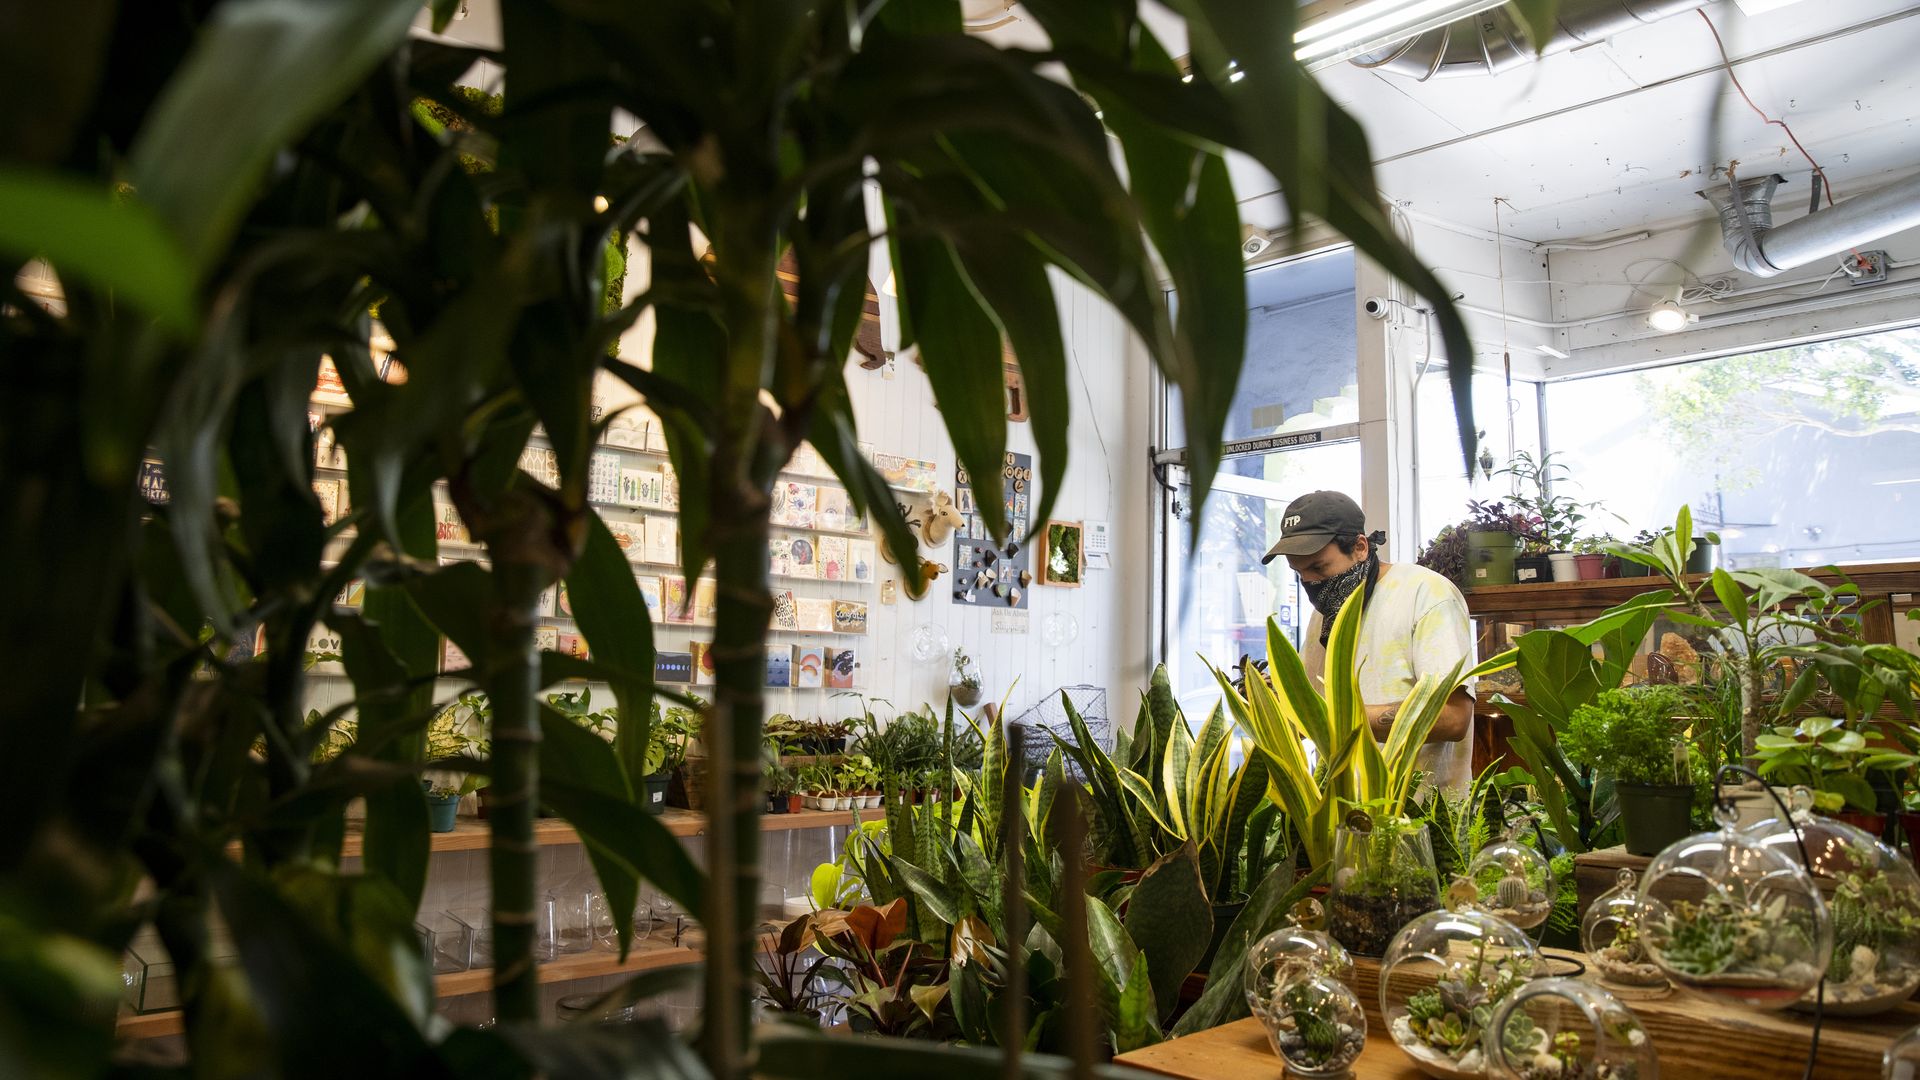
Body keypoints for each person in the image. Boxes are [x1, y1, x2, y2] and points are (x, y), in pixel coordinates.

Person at [1261, 490, 1477, 794]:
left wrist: (1340, 715)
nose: (1310, 583)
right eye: (1300, 573)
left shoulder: (1427, 595)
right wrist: (1267, 698)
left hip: (1421, 819)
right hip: (1343, 815)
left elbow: (1453, 718)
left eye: (1319, 567)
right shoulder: (1325, 614)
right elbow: (1304, 720)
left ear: (1360, 547)